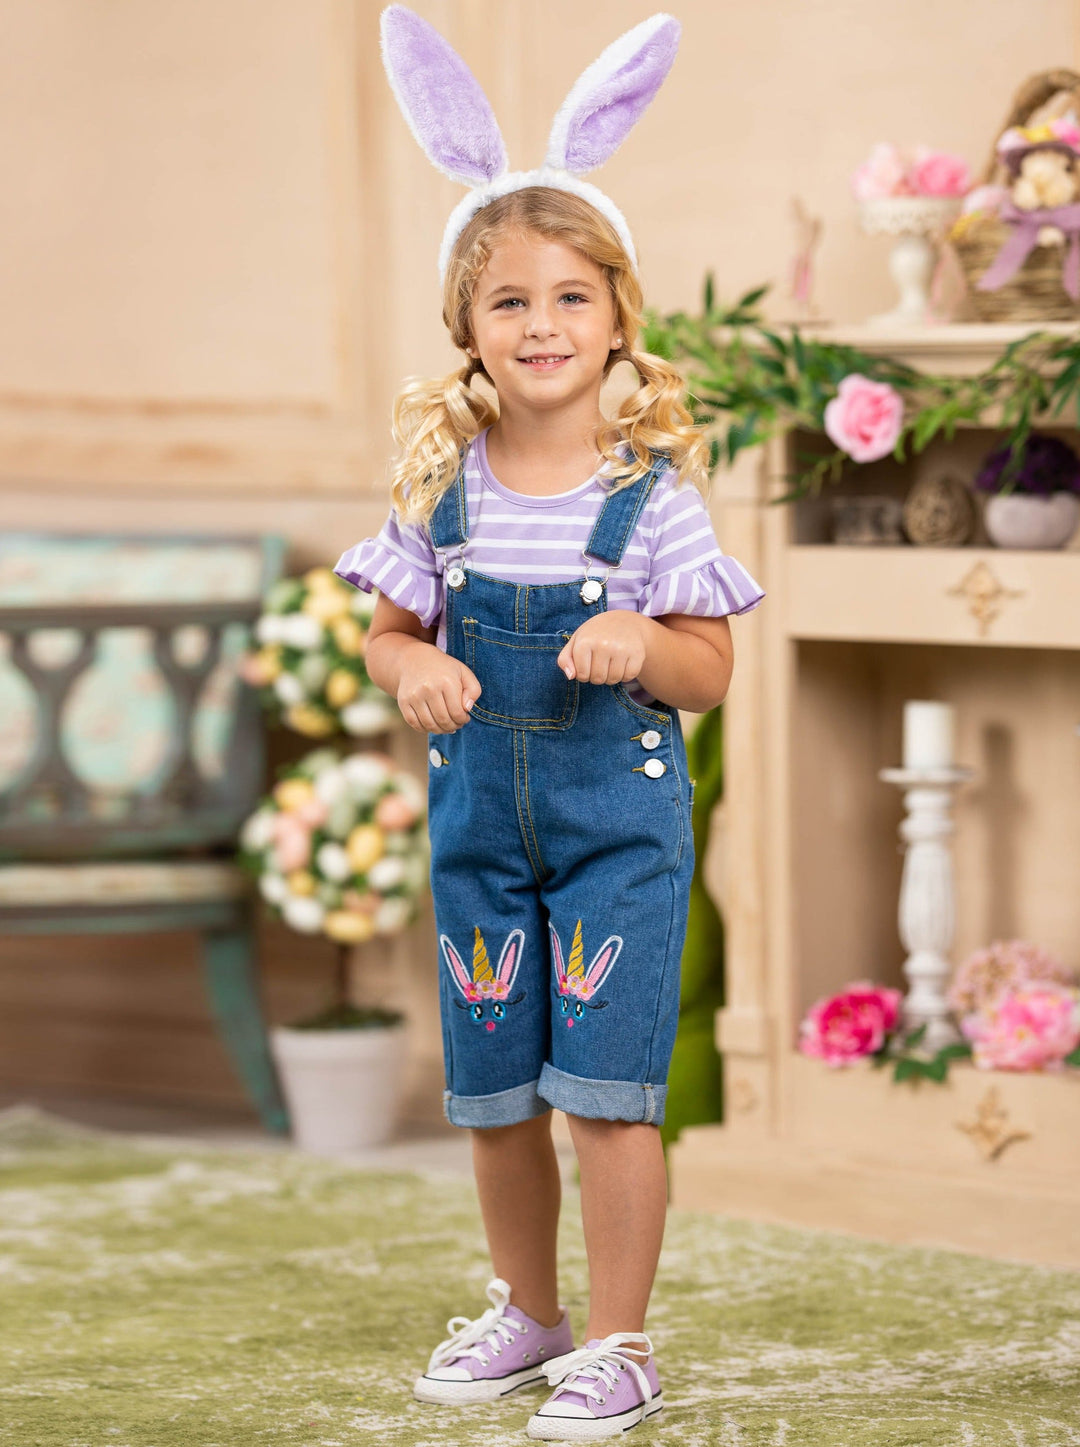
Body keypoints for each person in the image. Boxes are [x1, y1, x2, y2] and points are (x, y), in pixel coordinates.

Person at [334, 8, 765, 1440]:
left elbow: (709, 672)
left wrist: (645, 641)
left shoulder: (654, 500)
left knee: (605, 1095)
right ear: (466, 327)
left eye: (571, 297)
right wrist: (409, 667)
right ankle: (530, 1309)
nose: (541, 326)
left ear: (618, 318)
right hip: (480, 831)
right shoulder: (438, 492)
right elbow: (386, 634)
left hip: (613, 835)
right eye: (509, 301)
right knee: (497, 1094)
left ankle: (622, 1340)